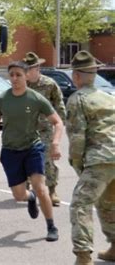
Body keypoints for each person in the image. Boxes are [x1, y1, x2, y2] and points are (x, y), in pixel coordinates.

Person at [0, 61, 63, 242]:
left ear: (26, 76)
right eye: (11, 75)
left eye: (18, 75)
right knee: (19, 195)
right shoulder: (1, 99)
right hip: (10, 151)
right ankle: (30, 198)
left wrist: (55, 143)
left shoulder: (36, 98)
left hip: (32, 148)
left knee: (41, 187)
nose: (14, 78)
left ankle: (51, 226)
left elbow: (58, 122)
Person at [65, 50, 115, 265]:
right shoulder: (108, 97)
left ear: (76, 76)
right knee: (108, 204)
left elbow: (77, 138)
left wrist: (77, 164)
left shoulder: (78, 99)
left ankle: (83, 256)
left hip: (99, 160)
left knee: (80, 204)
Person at [24, 52, 66, 206]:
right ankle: (27, 185)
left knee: (48, 159)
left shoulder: (49, 84)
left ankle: (52, 189)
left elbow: (59, 106)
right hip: (26, 129)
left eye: (30, 68)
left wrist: (59, 124)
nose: (27, 72)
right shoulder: (22, 85)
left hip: (45, 128)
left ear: (37, 68)